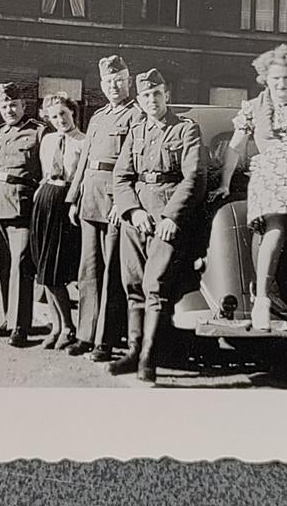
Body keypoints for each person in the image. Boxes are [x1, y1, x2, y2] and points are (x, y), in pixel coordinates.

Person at [209, 45, 287, 342]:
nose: (281, 84)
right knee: (276, 226)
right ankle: (262, 300)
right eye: (275, 79)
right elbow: (235, 148)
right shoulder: (253, 106)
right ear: (265, 79)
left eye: (286, 78)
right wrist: (225, 182)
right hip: (269, 171)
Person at [110, 68, 205, 383]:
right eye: (146, 95)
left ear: (168, 95)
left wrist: (171, 217)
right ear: (139, 100)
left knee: (155, 287)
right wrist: (132, 211)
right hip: (137, 217)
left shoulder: (186, 130)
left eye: (157, 93)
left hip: (166, 216)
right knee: (133, 285)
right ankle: (134, 351)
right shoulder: (136, 131)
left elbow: (194, 178)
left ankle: (149, 358)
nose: (152, 100)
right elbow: (121, 176)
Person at [65, 55, 142, 360]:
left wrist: (124, 203)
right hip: (90, 197)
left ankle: (105, 341)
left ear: (129, 81)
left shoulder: (135, 115)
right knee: (88, 271)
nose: (114, 85)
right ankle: (85, 334)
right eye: (109, 81)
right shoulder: (97, 116)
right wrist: (73, 198)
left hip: (114, 200)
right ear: (101, 84)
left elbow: (134, 162)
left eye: (119, 80)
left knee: (111, 273)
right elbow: (84, 161)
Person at [0, 82, 46, 347]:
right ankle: (8, 317)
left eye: (13, 105)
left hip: (24, 205)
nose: (9, 110)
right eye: (4, 106)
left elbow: (47, 172)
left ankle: (22, 326)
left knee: (22, 264)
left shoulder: (39, 132)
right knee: (4, 266)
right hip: (0, 204)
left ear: (24, 105)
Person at [30, 93, 86, 349]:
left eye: (63, 113)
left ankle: (69, 327)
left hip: (66, 203)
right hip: (45, 201)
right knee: (44, 269)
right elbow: (44, 173)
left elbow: (81, 181)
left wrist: (73, 203)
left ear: (72, 112)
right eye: (54, 116)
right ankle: (56, 326)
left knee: (56, 270)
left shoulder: (84, 142)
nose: (60, 120)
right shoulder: (48, 140)